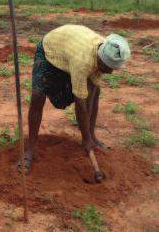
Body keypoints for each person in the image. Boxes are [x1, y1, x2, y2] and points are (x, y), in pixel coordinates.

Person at [19, 25, 131, 181]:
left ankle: (92, 136)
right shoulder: (82, 62)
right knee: (38, 95)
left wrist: (88, 136)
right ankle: (30, 149)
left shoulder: (105, 50)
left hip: (69, 53)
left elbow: (90, 95)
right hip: (51, 51)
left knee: (95, 91)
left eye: (113, 69)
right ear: (100, 60)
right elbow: (81, 103)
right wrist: (83, 139)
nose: (111, 72)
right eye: (108, 68)